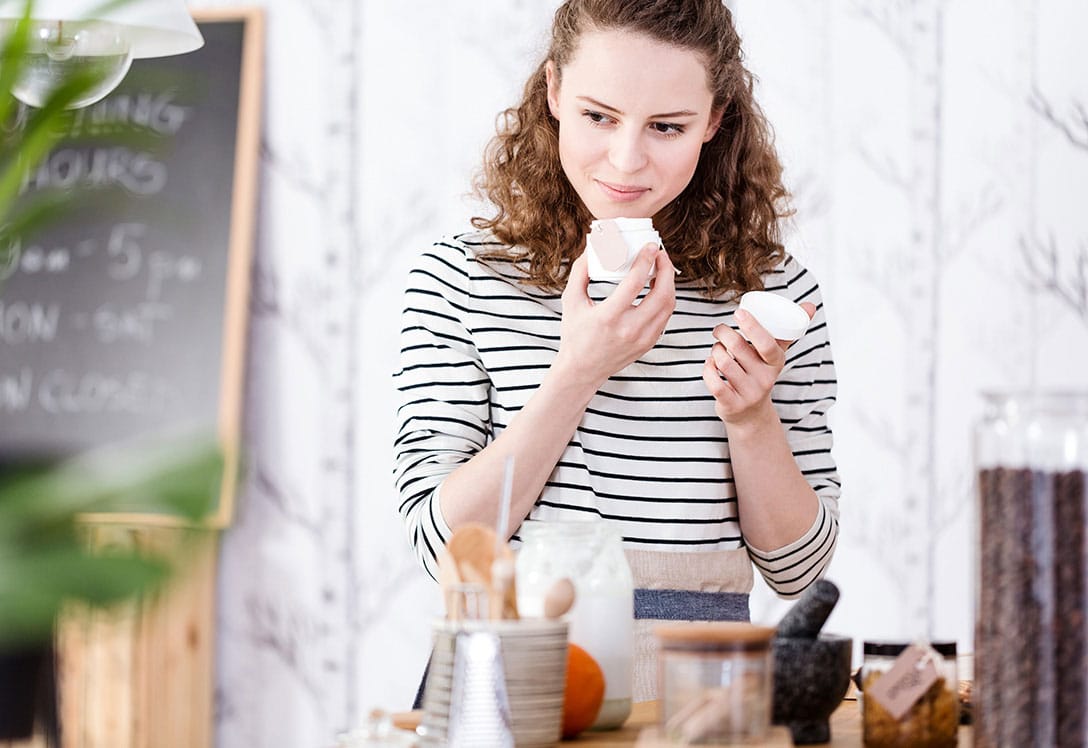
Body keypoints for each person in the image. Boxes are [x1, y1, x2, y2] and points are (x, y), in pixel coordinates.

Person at [394, 0, 839, 701]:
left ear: (715, 120)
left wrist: (752, 420)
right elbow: (442, 550)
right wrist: (578, 369)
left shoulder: (770, 297)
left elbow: (799, 568)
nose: (627, 160)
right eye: (598, 116)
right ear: (552, 93)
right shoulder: (461, 280)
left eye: (668, 127)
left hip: (701, 700)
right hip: (513, 694)